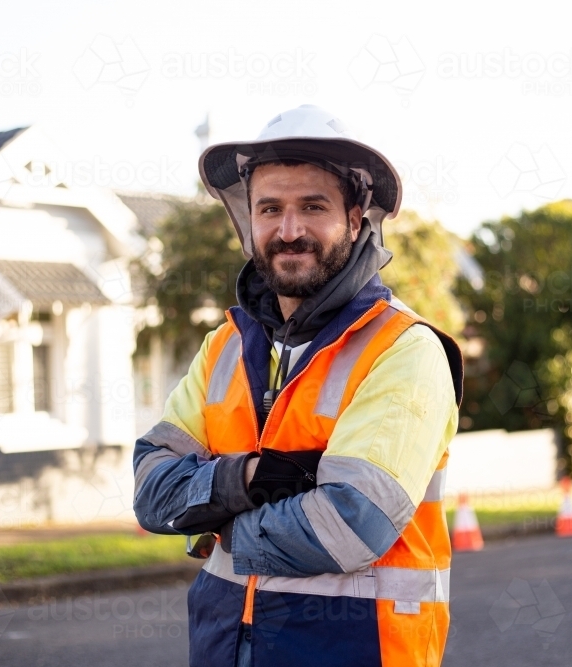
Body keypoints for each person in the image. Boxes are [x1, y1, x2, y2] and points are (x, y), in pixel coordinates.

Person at [133, 105, 463, 667]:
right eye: (271, 209)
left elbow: (349, 525)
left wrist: (217, 519)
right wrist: (251, 477)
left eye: (313, 207)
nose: (290, 231)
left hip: (359, 651)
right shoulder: (223, 348)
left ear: (356, 218)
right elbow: (151, 493)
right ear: (249, 222)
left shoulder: (403, 349)